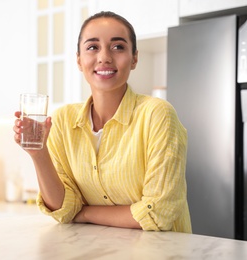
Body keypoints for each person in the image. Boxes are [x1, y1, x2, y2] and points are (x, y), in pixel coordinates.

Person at [13, 11, 191, 233]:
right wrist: (39, 154)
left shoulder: (158, 115)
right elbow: (62, 208)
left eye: (118, 47)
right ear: (79, 60)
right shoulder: (62, 120)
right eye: (92, 47)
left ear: (134, 58)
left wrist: (84, 212)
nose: (104, 57)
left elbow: (157, 213)